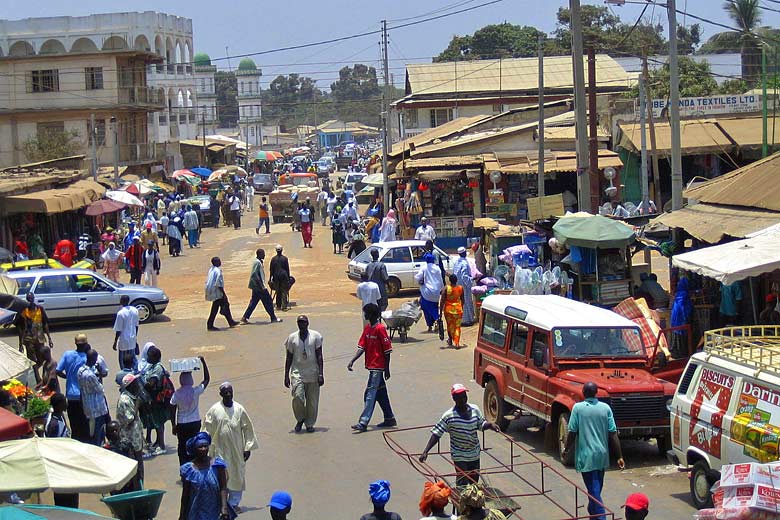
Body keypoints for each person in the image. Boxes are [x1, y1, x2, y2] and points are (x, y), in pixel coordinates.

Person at [562, 382, 625, 520]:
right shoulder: (605, 408)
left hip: (586, 457)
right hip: (602, 456)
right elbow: (613, 433)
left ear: (583, 393)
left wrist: (566, 449)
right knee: (596, 488)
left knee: (594, 490)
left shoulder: (577, 409)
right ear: (596, 393)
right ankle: (593, 513)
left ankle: (601, 517)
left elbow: (572, 431)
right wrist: (619, 456)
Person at [420, 384, 500, 487]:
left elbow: (481, 424)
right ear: (454, 398)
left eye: (464, 396)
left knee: (474, 482)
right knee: (462, 482)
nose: (463, 399)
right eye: (459, 397)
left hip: (474, 453)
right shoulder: (449, 416)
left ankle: (472, 502)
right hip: (459, 455)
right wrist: (426, 451)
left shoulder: (475, 409)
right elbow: (437, 434)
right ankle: (458, 502)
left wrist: (490, 425)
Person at [202, 383, 259, 512]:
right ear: (221, 394)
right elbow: (206, 428)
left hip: (236, 450)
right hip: (219, 450)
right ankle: (221, 504)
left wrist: (247, 447)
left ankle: (233, 504)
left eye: (230, 391)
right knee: (220, 475)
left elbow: (248, 428)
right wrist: (204, 447)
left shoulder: (239, 409)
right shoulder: (214, 410)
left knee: (236, 475)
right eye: (225, 392)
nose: (228, 394)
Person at [348, 303, 396, 432]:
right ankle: (389, 418)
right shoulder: (368, 328)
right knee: (380, 393)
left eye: (366, 313)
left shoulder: (380, 329)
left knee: (369, 394)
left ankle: (363, 422)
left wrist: (387, 369)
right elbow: (362, 347)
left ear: (372, 314)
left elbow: (387, 351)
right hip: (371, 366)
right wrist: (353, 360)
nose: (365, 315)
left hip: (378, 367)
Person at [284, 315, 324, 433]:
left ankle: (310, 423)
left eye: (303, 322)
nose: (301, 324)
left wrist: (321, 373)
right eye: (299, 322)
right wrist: (286, 375)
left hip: (313, 373)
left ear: (308, 323)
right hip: (297, 373)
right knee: (298, 398)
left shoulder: (316, 336)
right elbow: (289, 357)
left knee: (312, 402)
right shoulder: (292, 338)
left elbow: (320, 356)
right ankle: (300, 418)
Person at [179, 431, 232, 520]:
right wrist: (182, 515)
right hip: (196, 511)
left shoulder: (217, 465)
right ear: (195, 449)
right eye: (200, 447)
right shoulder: (189, 470)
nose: (203, 449)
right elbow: (185, 495)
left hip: (215, 511)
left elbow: (223, 487)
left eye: (205, 446)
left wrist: (224, 508)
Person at [171, 356, 210, 466]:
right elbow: (207, 380)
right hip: (195, 423)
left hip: (182, 424)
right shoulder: (195, 391)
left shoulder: (177, 394)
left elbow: (172, 409)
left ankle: (184, 468)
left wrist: (173, 424)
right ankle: (195, 466)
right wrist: (203, 362)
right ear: (191, 380)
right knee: (195, 445)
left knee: (182, 447)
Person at [56, 333, 90, 441]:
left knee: (74, 424)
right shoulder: (87, 357)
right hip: (82, 396)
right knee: (84, 424)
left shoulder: (67, 354)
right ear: (86, 344)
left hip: (70, 395)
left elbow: (58, 370)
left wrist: (68, 377)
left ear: (76, 343)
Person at [116, 374, 145, 493]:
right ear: (130, 385)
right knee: (135, 468)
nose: (138, 385)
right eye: (136, 383)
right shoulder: (125, 400)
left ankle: (140, 488)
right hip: (130, 440)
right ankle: (137, 491)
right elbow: (129, 419)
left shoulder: (131, 397)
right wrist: (137, 405)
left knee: (139, 466)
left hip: (136, 438)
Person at [140, 345, 170, 455]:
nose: (147, 358)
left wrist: (141, 380)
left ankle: (162, 446)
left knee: (158, 423)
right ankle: (158, 443)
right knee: (156, 422)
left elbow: (151, 384)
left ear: (154, 357)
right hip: (153, 399)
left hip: (157, 399)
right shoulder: (152, 366)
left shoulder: (157, 368)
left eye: (149, 356)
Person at [17, 292, 53, 383]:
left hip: (40, 338)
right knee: (32, 359)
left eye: (31, 298)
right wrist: (20, 344)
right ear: (27, 299)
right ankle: (37, 378)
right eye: (28, 299)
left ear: (34, 298)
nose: (30, 300)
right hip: (28, 339)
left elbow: (45, 324)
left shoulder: (40, 309)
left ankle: (35, 371)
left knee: (42, 357)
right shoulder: (24, 311)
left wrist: (49, 338)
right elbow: (21, 328)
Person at [241, 249, 282, 324]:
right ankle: (273, 318)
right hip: (259, 287)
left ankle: (245, 317)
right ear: (259, 254)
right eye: (263, 254)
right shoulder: (257, 263)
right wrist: (261, 286)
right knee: (268, 301)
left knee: (253, 302)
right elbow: (255, 274)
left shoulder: (259, 262)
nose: (264, 255)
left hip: (256, 287)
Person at [77, 349, 109, 445]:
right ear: (94, 359)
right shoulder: (90, 375)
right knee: (98, 433)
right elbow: (100, 389)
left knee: (91, 432)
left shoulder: (80, 370)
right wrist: (99, 374)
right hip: (96, 409)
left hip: (87, 405)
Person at [104, 420, 142, 494]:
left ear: (120, 431)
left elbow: (134, 461)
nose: (114, 433)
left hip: (129, 477)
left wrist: (138, 474)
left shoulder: (126, 444)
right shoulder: (106, 449)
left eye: (116, 430)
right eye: (112, 431)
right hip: (115, 478)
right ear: (107, 434)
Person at [205, 257, 240, 331]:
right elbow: (219, 284)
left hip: (212, 291)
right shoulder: (218, 271)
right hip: (217, 291)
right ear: (216, 262)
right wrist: (224, 294)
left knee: (216, 307)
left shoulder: (211, 270)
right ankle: (211, 324)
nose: (220, 262)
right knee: (225, 304)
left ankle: (229, 321)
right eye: (219, 261)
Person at [416, 253, 444, 333]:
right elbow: (441, 280)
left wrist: (420, 282)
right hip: (436, 292)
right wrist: (441, 289)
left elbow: (418, 277)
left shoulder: (424, 268)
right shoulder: (437, 268)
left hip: (426, 292)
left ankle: (432, 323)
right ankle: (436, 320)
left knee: (425, 307)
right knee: (434, 307)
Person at [113, 295, 139, 370]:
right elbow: (136, 326)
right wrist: (135, 338)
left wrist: (115, 342)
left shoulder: (120, 313)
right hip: (132, 338)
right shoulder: (135, 310)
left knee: (122, 360)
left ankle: (124, 374)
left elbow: (119, 330)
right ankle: (135, 373)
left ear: (122, 301)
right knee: (133, 358)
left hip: (124, 340)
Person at [670, 277, 693, 359]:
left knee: (677, 336)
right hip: (681, 319)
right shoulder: (684, 294)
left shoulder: (678, 294)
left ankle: (677, 353)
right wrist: (685, 318)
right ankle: (683, 354)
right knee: (683, 337)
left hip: (675, 319)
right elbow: (683, 308)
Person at [439, 274, 465, 348]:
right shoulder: (460, 288)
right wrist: (461, 308)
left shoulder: (446, 288)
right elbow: (463, 300)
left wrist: (440, 312)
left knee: (450, 326)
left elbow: (442, 301)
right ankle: (457, 342)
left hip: (448, 310)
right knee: (457, 327)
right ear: (456, 280)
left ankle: (450, 339)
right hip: (458, 310)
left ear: (449, 280)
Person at [453, 247, 476, 326]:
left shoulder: (457, 262)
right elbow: (464, 276)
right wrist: (471, 280)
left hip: (457, 285)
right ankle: (466, 320)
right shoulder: (464, 263)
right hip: (463, 286)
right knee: (466, 302)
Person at [269, 245, 292, 312]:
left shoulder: (273, 259)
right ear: (281, 250)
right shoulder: (285, 259)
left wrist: (270, 278)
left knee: (278, 290)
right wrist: (288, 278)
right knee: (284, 291)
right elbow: (287, 269)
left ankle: (278, 306)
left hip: (276, 276)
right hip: (283, 276)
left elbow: (271, 270)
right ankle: (284, 306)